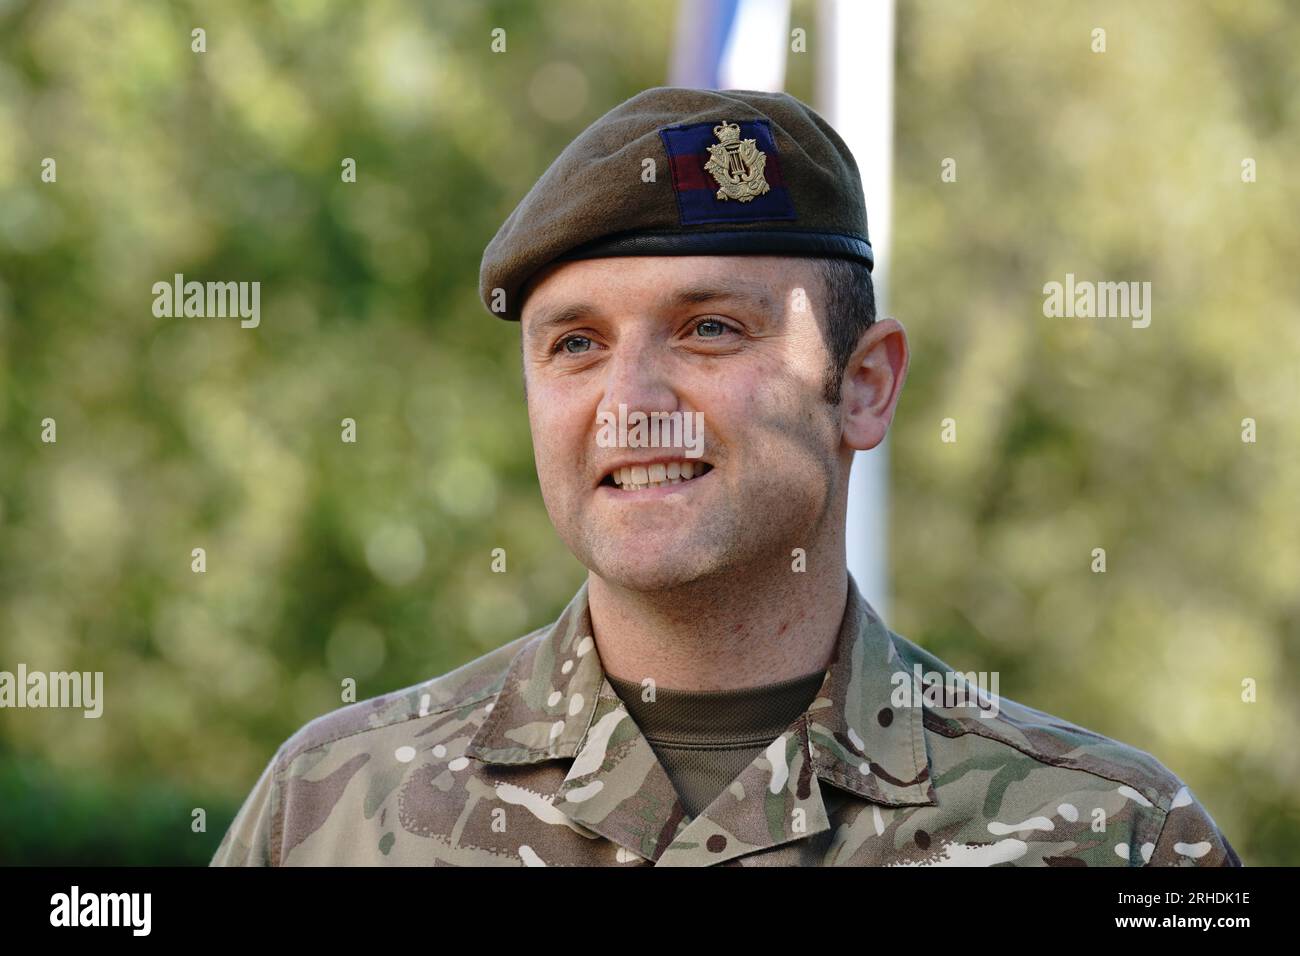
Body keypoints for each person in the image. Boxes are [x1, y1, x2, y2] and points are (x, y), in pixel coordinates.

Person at [211, 87, 1240, 867]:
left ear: (865, 386)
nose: (630, 398)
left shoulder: (1114, 835)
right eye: (574, 344)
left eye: (710, 328)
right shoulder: (330, 806)